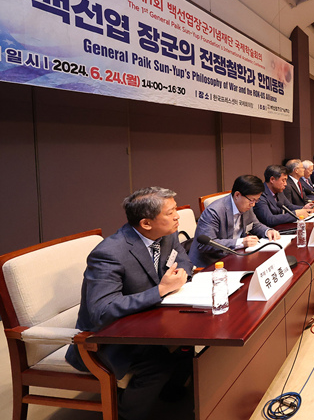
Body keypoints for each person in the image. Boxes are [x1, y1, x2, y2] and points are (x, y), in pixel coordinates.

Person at [65, 187, 193, 420]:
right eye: (171, 212)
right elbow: (102, 311)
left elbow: (183, 261)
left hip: (150, 322)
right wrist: (160, 291)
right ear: (146, 223)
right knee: (159, 365)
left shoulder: (167, 234)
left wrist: (179, 277)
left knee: (191, 347)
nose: (178, 217)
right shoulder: (109, 253)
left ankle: (171, 394)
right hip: (106, 339)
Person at [189, 175, 280, 267]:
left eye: (256, 200)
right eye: (252, 200)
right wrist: (241, 242)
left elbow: (255, 225)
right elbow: (205, 245)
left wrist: (267, 231)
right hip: (210, 263)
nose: (253, 205)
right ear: (237, 195)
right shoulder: (213, 212)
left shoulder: (246, 205)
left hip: (235, 256)